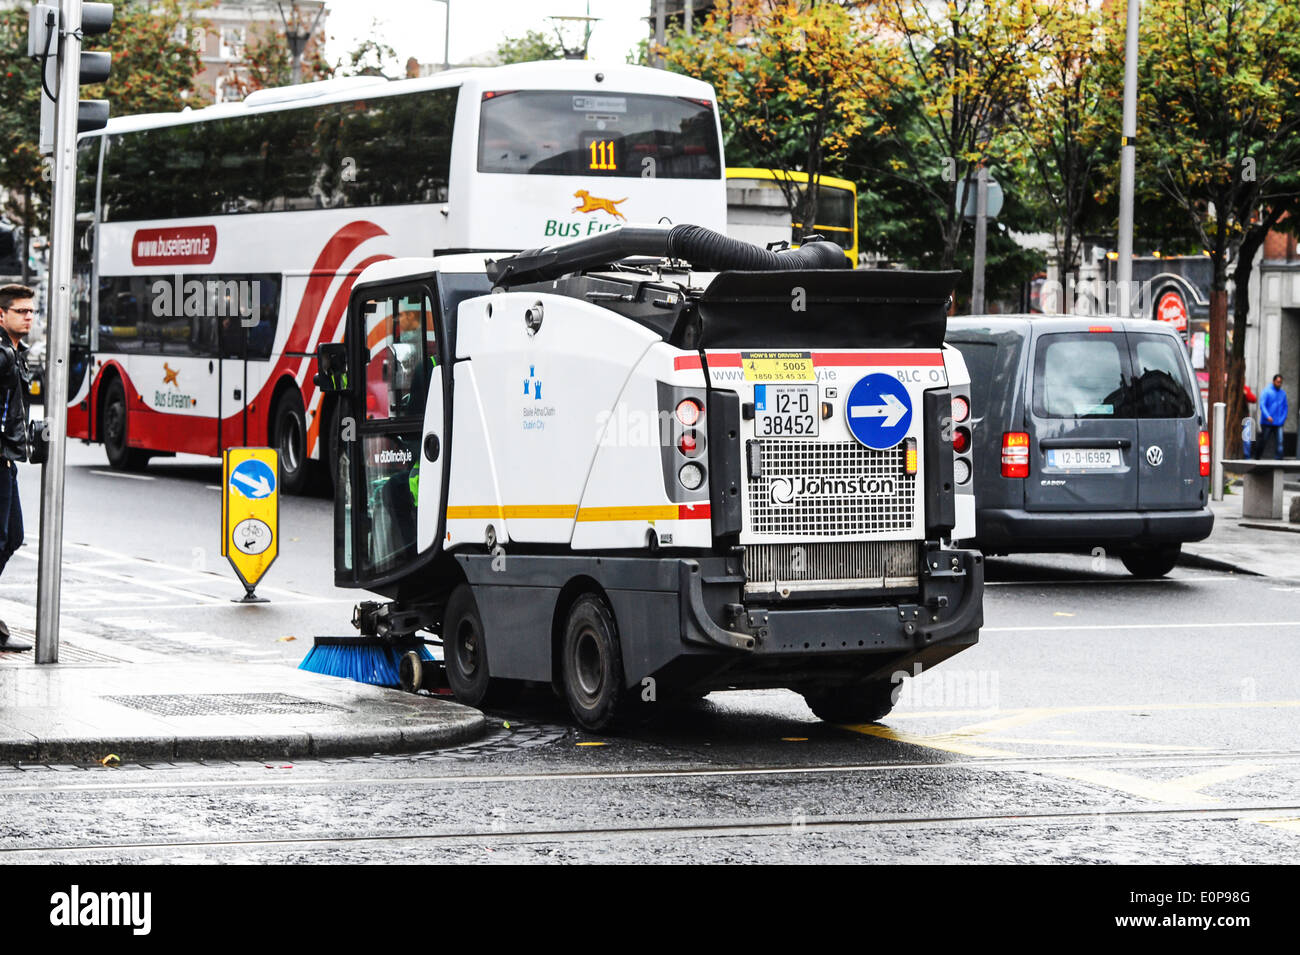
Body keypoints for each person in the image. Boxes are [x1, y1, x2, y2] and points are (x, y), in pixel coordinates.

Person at [0, 284, 34, 651]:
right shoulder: (2, 353)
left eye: (31, 311)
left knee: (12, 537)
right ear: (1, 315)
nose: (28, 317)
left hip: (7, 458)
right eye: (21, 311)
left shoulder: (15, 352)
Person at [1254, 373, 1289, 460]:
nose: (1279, 384)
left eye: (1280, 382)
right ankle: (1257, 457)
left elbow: (1285, 407)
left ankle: (1279, 460)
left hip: (1279, 422)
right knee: (1264, 440)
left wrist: (1283, 418)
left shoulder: (1283, 393)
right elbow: (1262, 405)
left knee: (1280, 441)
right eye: (1278, 382)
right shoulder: (1266, 391)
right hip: (1267, 422)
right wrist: (1267, 416)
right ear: (1274, 381)